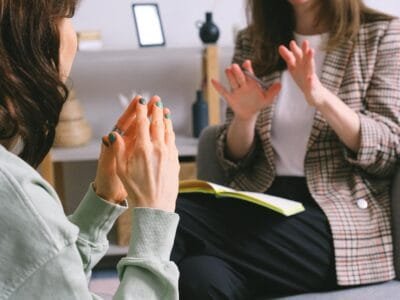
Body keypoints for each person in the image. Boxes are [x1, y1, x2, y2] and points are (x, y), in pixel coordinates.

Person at [171, 0, 400, 299]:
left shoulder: (381, 34)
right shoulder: (254, 40)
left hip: (337, 225)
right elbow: (235, 162)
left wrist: (322, 99)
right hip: (261, 208)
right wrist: (245, 117)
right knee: (199, 278)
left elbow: (388, 150)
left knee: (172, 212)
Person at [0, 1, 180, 299]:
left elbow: (44, 281)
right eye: (68, 18)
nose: (76, 39)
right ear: (29, 33)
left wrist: (103, 200)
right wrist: (156, 212)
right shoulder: (17, 193)